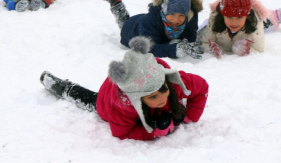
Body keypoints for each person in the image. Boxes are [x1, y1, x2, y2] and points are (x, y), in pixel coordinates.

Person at [40, 36, 209, 141]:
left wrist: (189, 116)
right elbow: (121, 133)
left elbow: (202, 88)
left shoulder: (171, 82)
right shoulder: (123, 107)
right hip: (108, 100)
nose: (161, 99)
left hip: (135, 80)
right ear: (137, 99)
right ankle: (61, 87)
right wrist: (152, 132)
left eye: (163, 90)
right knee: (91, 100)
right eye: (152, 97)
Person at [99, 0, 205, 59]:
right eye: (172, 14)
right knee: (124, 22)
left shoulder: (190, 18)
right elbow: (148, 48)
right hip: (132, 29)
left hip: (151, 23)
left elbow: (190, 38)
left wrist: (188, 45)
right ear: (164, 11)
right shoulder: (149, 22)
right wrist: (174, 50)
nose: (176, 20)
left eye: (181, 15)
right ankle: (116, 2)